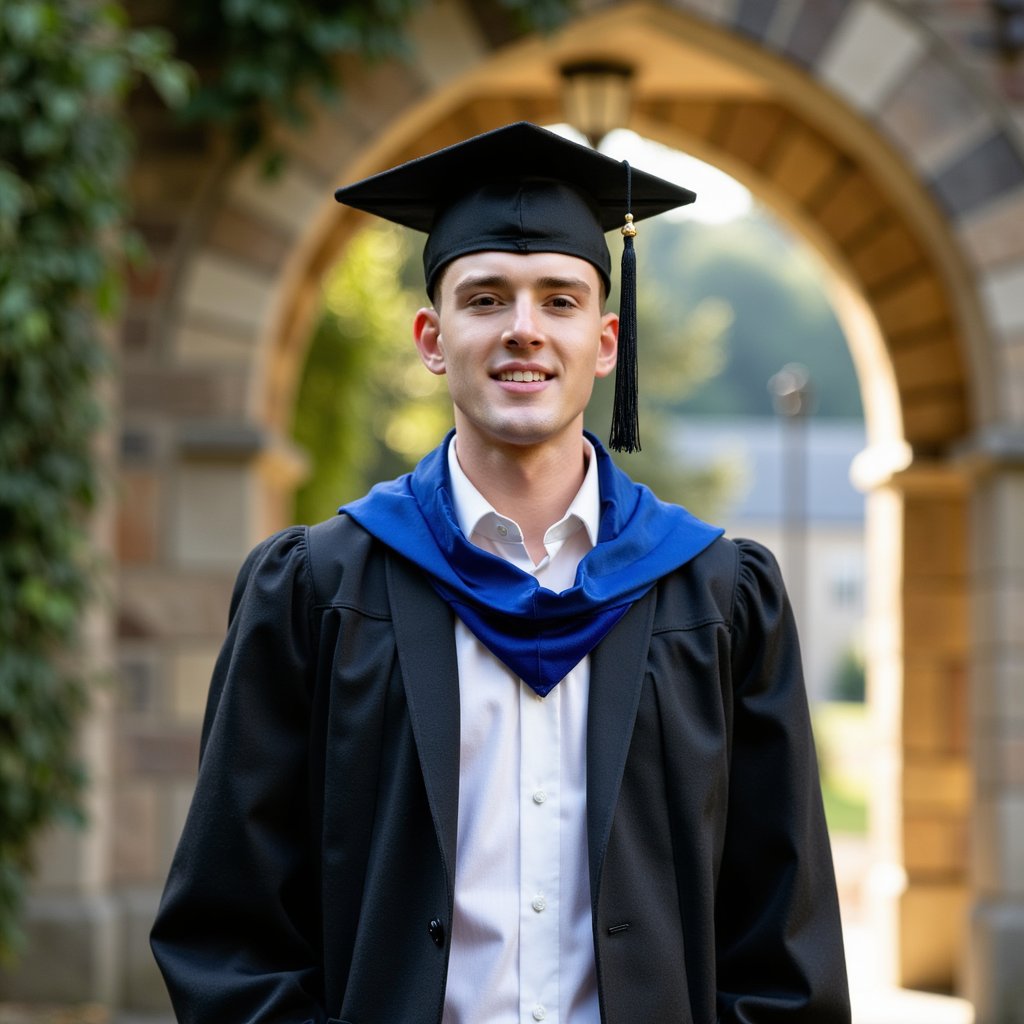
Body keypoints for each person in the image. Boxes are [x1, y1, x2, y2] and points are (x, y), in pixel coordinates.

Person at [151, 122, 850, 1024]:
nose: (524, 330)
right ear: (431, 337)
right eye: (486, 299)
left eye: (559, 301)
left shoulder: (715, 597)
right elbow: (227, 926)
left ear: (605, 342)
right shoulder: (318, 591)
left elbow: (784, 942)